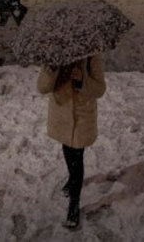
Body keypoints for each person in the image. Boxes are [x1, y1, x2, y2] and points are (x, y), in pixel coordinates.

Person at [37, 55, 106, 230]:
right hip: (61, 116)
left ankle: (74, 203)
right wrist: (52, 69)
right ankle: (72, 180)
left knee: (77, 156)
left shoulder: (91, 54)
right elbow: (42, 88)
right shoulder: (54, 52)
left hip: (82, 116)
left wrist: (83, 79)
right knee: (68, 151)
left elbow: (100, 89)